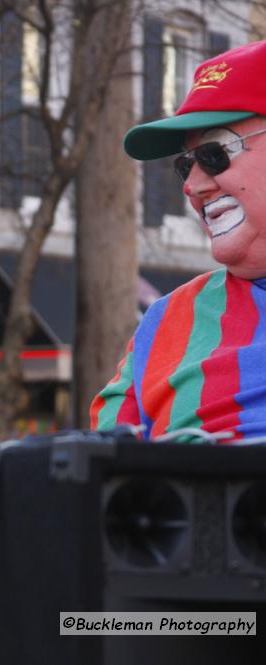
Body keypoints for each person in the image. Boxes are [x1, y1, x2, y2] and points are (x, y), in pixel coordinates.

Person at [92, 40, 266, 442]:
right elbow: (103, 471)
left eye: (214, 153)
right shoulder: (168, 320)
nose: (192, 186)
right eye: (186, 165)